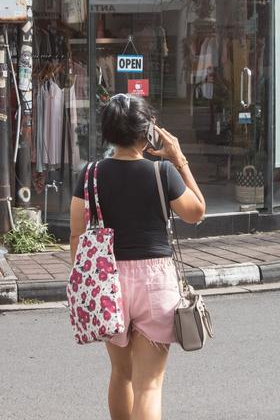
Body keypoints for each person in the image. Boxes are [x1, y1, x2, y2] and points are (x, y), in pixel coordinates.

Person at [69, 94, 206, 420]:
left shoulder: (89, 175)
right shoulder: (163, 173)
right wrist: (179, 158)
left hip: (108, 281)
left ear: (107, 132)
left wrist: (85, 279)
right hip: (155, 282)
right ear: (148, 131)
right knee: (149, 385)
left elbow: (76, 235)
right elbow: (196, 212)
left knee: (121, 374)